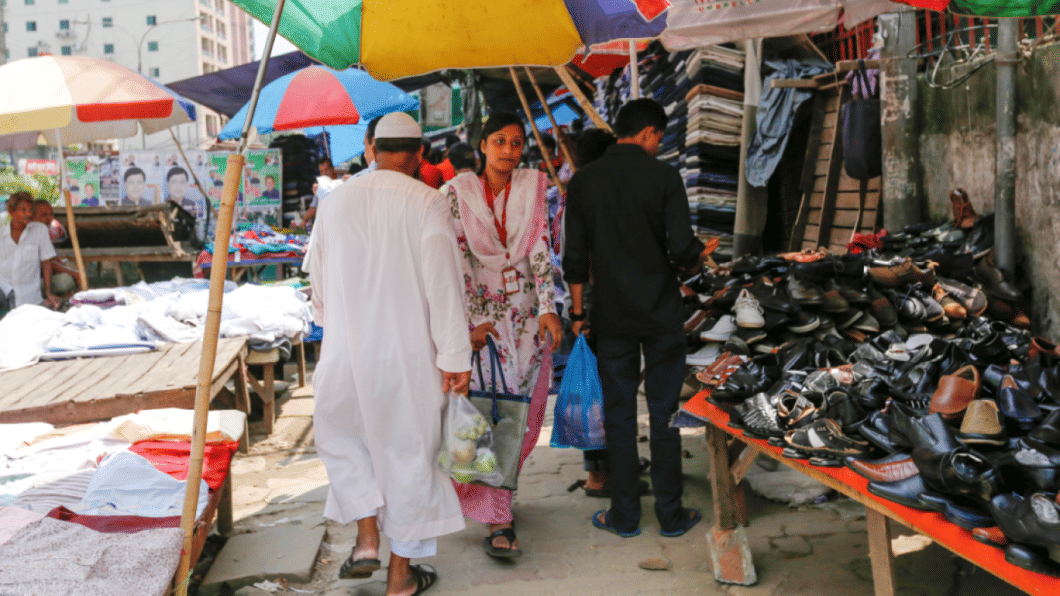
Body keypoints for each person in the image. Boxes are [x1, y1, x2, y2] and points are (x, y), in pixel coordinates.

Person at [304, 112, 471, 596]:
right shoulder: (428, 202)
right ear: (420, 156)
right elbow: (444, 286)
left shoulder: (335, 201)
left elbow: (318, 288)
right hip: (408, 359)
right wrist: (455, 357)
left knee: (343, 441)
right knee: (410, 460)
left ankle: (366, 538)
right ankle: (399, 580)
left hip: (345, 353)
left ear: (371, 149)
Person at [563, 98, 710, 538]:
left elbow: (574, 258)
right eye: (658, 137)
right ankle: (671, 515)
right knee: (664, 414)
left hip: (612, 315)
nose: (657, 145)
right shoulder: (664, 176)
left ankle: (625, 517)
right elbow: (682, 248)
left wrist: (577, 313)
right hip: (661, 311)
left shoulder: (584, 181)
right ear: (649, 133)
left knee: (620, 415)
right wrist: (696, 256)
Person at [445, 111, 562, 558]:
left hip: (526, 315)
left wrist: (549, 308)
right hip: (481, 317)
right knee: (487, 409)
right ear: (482, 144)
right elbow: (457, 259)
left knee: (520, 409)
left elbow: (540, 248)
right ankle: (498, 515)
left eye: (516, 143)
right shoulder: (457, 192)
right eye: (499, 141)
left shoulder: (533, 187)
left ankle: (499, 495)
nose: (509, 151)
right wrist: (468, 324)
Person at [0, 192, 60, 308]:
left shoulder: (40, 230)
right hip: (3, 297)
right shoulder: (1, 234)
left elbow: (46, 262)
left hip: (30, 299)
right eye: (23, 210)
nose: (28, 214)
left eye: (30, 210)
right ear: (11, 211)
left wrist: (48, 293)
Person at [31, 200, 79, 297]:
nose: (49, 218)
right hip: (29, 284)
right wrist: (73, 274)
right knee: (65, 280)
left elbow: (53, 258)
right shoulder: (30, 235)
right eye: (44, 215)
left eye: (51, 214)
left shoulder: (42, 232)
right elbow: (45, 263)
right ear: (32, 217)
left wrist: (67, 269)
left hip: (41, 276)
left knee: (69, 273)